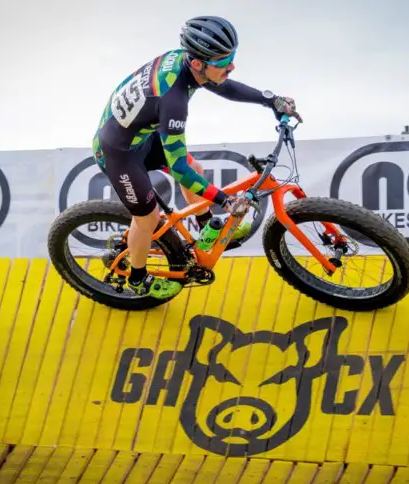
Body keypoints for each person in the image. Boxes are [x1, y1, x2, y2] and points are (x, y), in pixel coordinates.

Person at [92, 15, 301, 299]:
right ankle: (138, 280)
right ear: (198, 64)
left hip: (136, 134)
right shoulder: (173, 100)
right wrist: (225, 201)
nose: (231, 66)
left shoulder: (187, 62)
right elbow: (177, 170)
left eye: (232, 57)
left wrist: (271, 100)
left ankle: (205, 225)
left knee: (196, 167)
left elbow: (223, 85)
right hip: (118, 153)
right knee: (148, 217)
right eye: (223, 62)